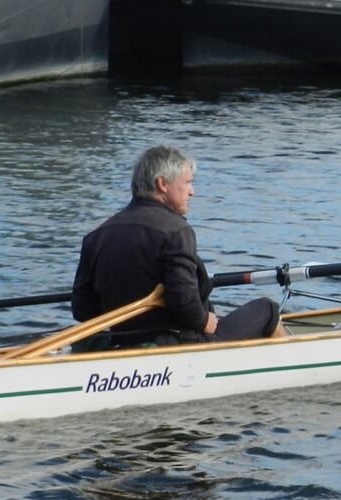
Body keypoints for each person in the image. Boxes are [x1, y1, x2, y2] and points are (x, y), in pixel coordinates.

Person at [71, 145, 286, 348]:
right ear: (162, 184)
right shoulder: (175, 231)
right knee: (267, 309)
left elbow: (83, 309)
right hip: (181, 345)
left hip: (123, 343)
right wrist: (203, 322)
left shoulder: (97, 236)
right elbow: (184, 303)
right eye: (187, 182)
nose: (191, 192)